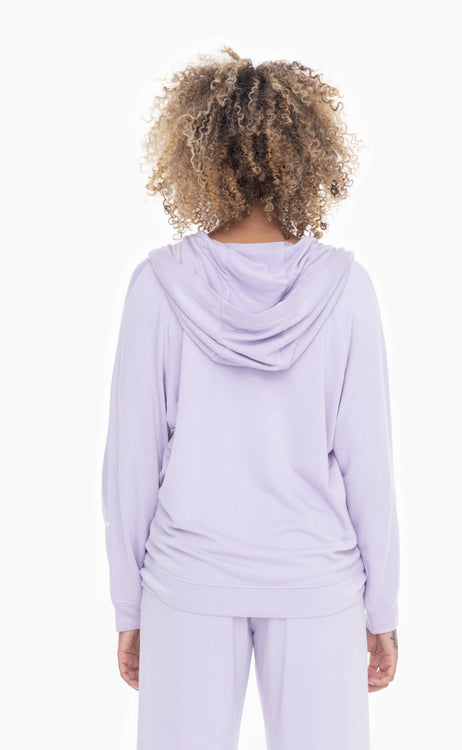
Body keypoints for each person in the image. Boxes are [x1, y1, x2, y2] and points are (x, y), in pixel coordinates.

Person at [101, 45, 400, 750]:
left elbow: (130, 468)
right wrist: (382, 610)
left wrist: (128, 605)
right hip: (316, 583)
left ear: (200, 157)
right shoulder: (346, 291)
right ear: (306, 158)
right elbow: (370, 467)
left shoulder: (158, 288)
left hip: (188, 584)